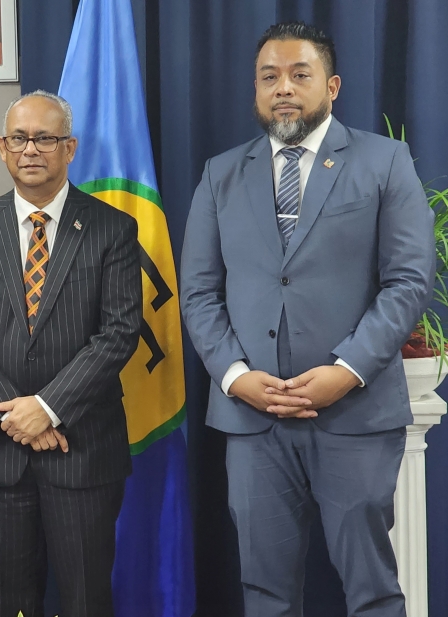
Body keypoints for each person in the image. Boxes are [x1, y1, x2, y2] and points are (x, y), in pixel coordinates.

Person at [180, 22, 434, 617]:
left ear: (332, 86)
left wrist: (345, 371)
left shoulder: (384, 161)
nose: (284, 89)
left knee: (373, 591)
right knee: (264, 593)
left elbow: (407, 282)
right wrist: (237, 377)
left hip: (354, 412)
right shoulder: (221, 174)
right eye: (269, 77)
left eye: (300, 75)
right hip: (253, 418)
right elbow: (198, 294)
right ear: (256, 89)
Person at [0, 91, 142, 617]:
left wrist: (47, 408)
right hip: (0, 453)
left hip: (83, 451)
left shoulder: (113, 228)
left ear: (69, 148)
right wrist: (17, 416)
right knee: (9, 604)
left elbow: (119, 333)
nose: (31, 149)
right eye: (19, 138)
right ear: (2, 148)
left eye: (45, 138)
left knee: (86, 602)